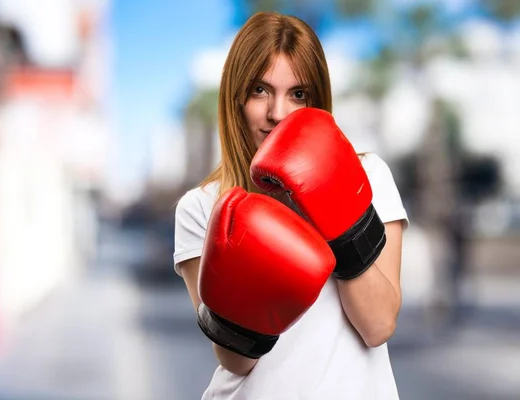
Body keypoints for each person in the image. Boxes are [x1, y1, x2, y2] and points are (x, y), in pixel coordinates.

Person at [174, 11, 409, 400]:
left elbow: (379, 325)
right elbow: (236, 360)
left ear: (317, 101)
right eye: (259, 91)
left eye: (297, 94)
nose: (277, 114)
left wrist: (332, 207)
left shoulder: (367, 176)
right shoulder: (202, 208)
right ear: (236, 98)